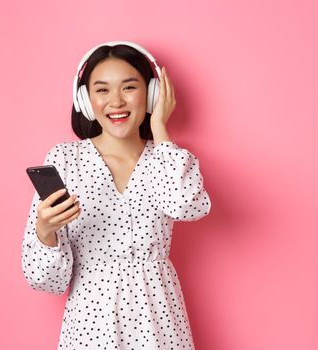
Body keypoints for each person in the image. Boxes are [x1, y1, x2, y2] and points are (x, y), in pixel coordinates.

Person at [21, 41, 211, 349]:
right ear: (85, 100)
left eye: (129, 87)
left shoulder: (167, 159)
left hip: (158, 319)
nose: (116, 101)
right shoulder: (65, 160)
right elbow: (46, 281)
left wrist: (160, 128)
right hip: (90, 324)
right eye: (102, 90)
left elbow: (188, 206)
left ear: (151, 94)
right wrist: (45, 231)